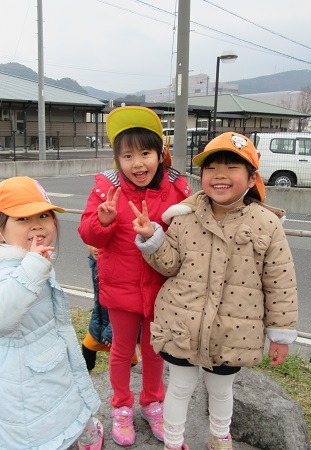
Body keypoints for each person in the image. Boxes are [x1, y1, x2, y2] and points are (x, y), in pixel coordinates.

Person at [131, 132, 299, 450]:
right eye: (211, 168)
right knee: (179, 386)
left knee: (221, 390)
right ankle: (173, 442)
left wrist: (281, 334)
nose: (220, 175)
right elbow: (169, 265)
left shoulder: (267, 223)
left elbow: (280, 282)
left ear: (252, 178)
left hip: (233, 330)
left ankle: (220, 437)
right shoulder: (184, 217)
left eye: (231, 167)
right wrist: (152, 237)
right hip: (181, 323)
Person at [0, 176, 103, 450]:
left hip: (37, 358)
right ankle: (80, 436)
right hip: (20, 373)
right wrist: (33, 267)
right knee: (35, 425)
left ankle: (84, 432)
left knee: (63, 400)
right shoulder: (8, 270)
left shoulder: (28, 259)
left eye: (43, 215)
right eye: (22, 219)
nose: (36, 224)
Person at [78, 106, 191, 446]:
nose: (137, 164)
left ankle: (153, 403)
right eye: (127, 156)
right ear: (117, 159)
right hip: (121, 288)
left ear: (160, 153)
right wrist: (104, 220)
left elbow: (187, 236)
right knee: (121, 350)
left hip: (161, 289)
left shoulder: (177, 188)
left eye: (145, 153)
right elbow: (89, 235)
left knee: (156, 350)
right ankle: (122, 407)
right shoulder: (107, 189)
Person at [81, 245, 140, 373]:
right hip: (101, 321)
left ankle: (126, 381)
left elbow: (127, 302)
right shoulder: (96, 261)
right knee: (87, 348)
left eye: (101, 246)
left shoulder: (120, 265)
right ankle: (86, 381)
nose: (95, 249)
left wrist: (112, 330)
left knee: (131, 362)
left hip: (124, 326)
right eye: (91, 244)